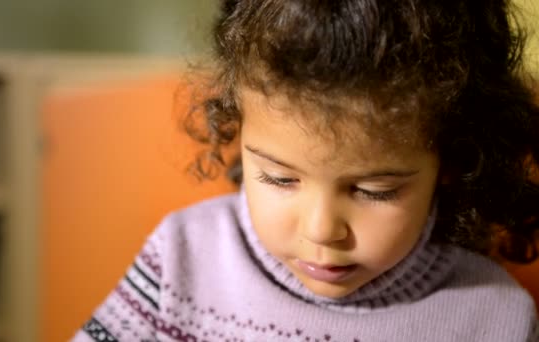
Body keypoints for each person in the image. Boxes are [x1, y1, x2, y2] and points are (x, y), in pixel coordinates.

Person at [73, 0, 539, 340]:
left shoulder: (494, 318)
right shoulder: (180, 259)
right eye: (280, 178)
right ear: (236, 129)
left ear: (453, 162)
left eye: (375, 190)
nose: (321, 230)